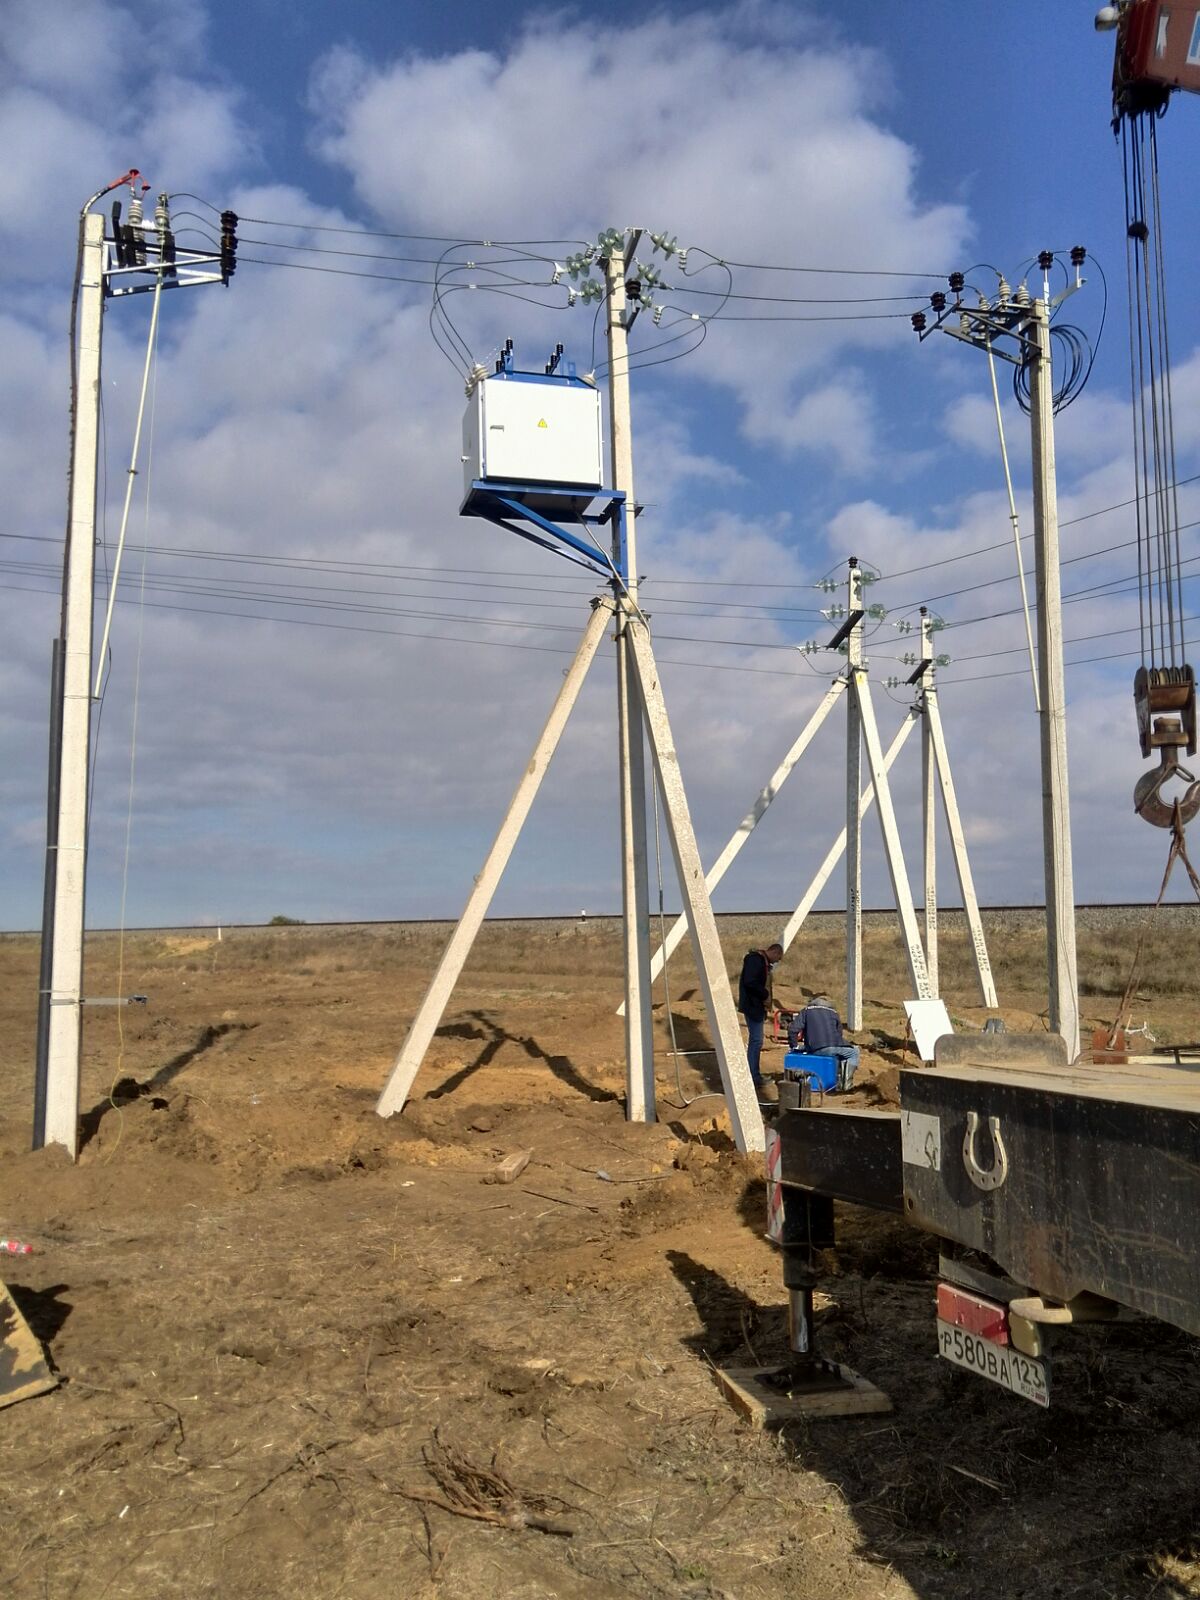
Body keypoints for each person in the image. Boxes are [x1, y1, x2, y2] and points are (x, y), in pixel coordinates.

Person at [737, 942, 783, 1093]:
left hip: (756, 1006)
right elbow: (750, 981)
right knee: (756, 1041)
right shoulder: (755, 960)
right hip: (753, 1005)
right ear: (774, 952)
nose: (777, 962)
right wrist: (764, 994)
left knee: (756, 1040)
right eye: (778, 958)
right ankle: (753, 1076)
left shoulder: (760, 961)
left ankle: (753, 1073)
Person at [787, 994, 860, 1088]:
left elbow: (793, 1029)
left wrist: (794, 1046)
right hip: (833, 1047)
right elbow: (839, 1034)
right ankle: (846, 1085)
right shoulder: (834, 1013)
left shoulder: (806, 1011)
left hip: (815, 1048)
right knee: (854, 1052)